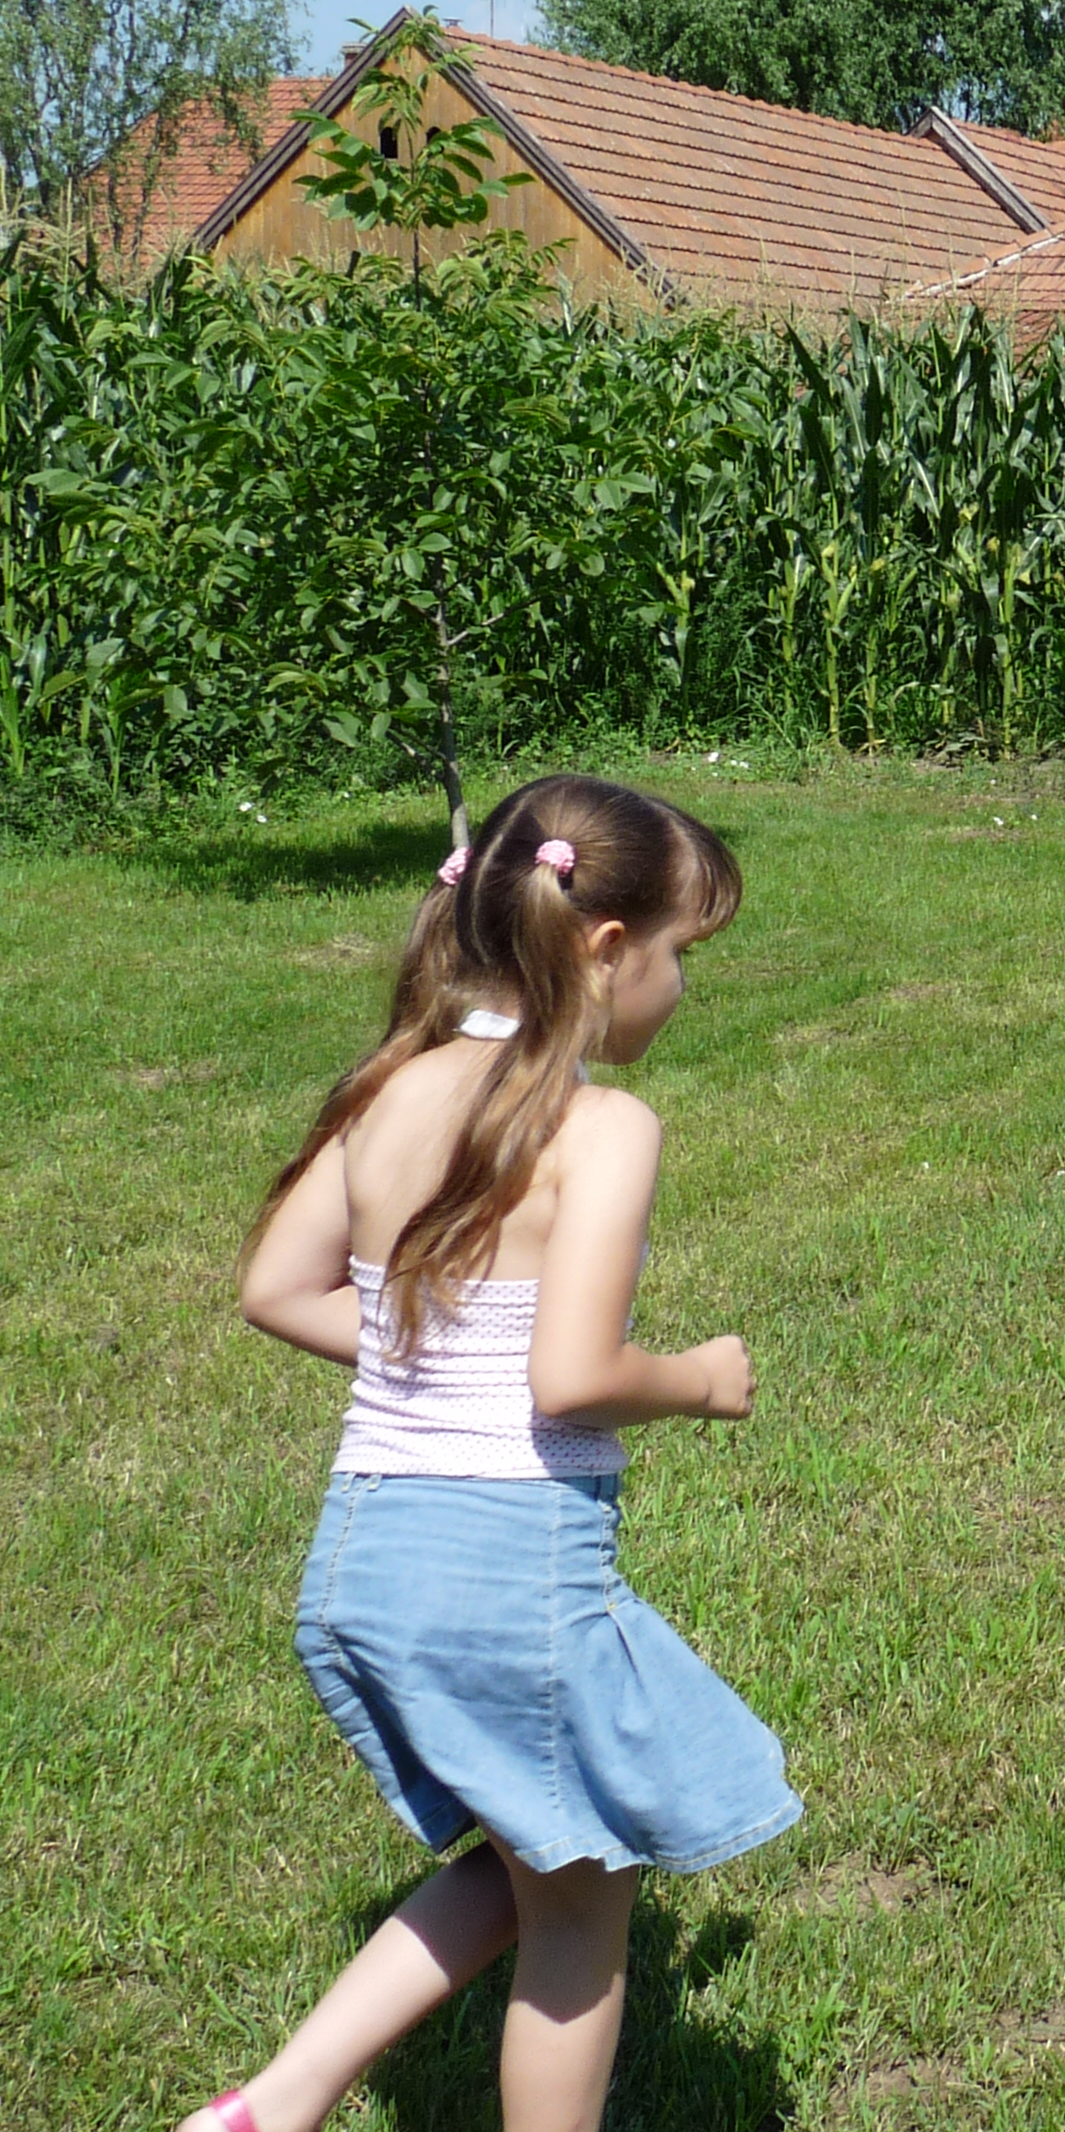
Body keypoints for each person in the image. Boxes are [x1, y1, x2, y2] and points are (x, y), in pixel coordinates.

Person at [187, 777, 792, 2132]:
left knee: (543, 1852)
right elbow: (573, 1378)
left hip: (366, 1561)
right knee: (583, 1901)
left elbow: (277, 1289)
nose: (684, 988)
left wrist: (435, 1356)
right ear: (607, 947)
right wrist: (699, 1380)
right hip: (509, 1571)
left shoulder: (390, 1089)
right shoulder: (604, 1127)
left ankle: (270, 2107)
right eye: (685, 954)